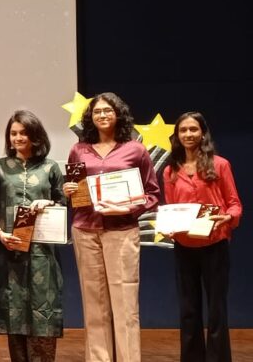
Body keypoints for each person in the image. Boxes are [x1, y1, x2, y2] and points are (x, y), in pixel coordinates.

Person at [62, 92, 159, 362]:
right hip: (85, 229)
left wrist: (128, 207)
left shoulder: (135, 149)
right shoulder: (78, 150)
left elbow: (152, 194)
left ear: (118, 114)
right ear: (90, 118)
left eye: (108, 110)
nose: (102, 115)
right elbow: (76, 193)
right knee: (94, 304)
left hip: (122, 231)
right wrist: (68, 190)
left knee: (125, 303)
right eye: (97, 112)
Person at [0, 110, 66, 362]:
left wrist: (48, 204)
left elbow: (62, 203)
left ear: (35, 135)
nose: (18, 137)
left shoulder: (50, 167)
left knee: (43, 311)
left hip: (42, 252)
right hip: (8, 250)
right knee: (14, 313)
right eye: (13, 133)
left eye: (23, 133)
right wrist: (0, 234)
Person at [163, 111, 242, 362]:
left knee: (216, 309)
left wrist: (228, 217)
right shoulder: (170, 171)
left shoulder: (220, 165)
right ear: (176, 135)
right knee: (189, 309)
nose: (188, 134)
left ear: (203, 133)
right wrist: (168, 226)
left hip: (214, 243)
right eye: (183, 130)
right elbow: (170, 207)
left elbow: (234, 204)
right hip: (184, 246)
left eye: (193, 129)